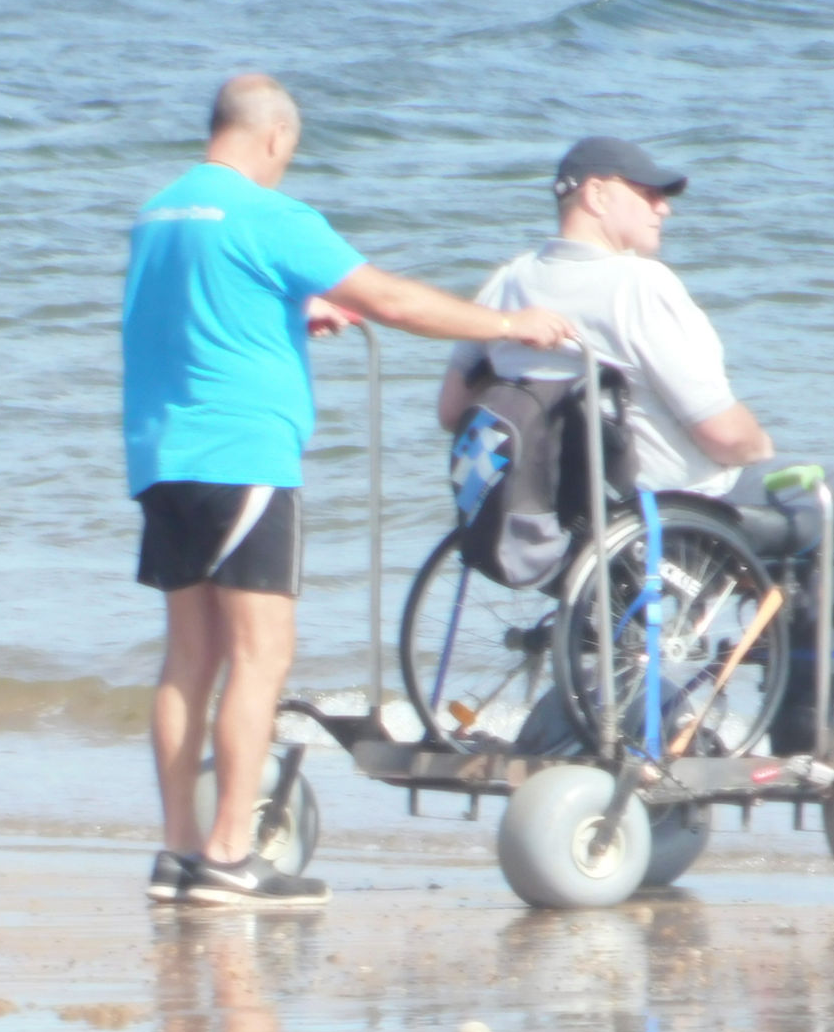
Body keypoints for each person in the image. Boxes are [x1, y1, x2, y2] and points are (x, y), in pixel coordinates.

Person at [124, 73, 575, 907]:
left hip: (163, 456)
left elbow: (183, 318)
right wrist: (510, 325)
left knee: (189, 657)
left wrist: (290, 319)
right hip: (244, 456)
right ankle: (228, 856)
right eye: (285, 155)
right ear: (274, 140)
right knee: (261, 656)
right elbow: (394, 301)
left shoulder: (158, 214)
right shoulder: (273, 215)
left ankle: (178, 852)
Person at [438, 136, 834, 751]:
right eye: (648, 194)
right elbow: (722, 432)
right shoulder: (640, 286)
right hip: (672, 505)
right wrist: (759, 446)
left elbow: (453, 409)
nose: (663, 208)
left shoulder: (507, 284)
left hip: (566, 515)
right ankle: (809, 714)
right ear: (596, 193)